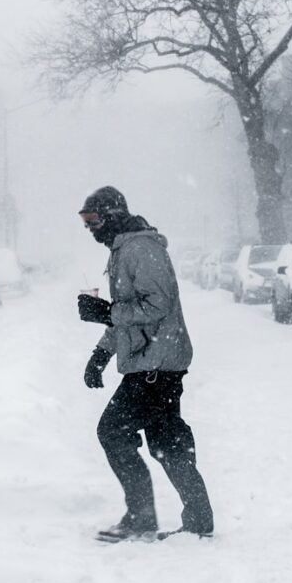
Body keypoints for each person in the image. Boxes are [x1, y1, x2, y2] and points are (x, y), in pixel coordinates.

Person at [77, 186, 214, 543]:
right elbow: (129, 316)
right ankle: (198, 520)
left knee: (112, 431)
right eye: (85, 221)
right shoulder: (124, 250)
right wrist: (100, 354)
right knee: (167, 441)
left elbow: (158, 305)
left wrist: (107, 312)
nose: (89, 228)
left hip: (156, 364)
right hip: (154, 362)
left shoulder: (141, 248)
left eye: (93, 220)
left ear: (111, 215)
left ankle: (141, 518)